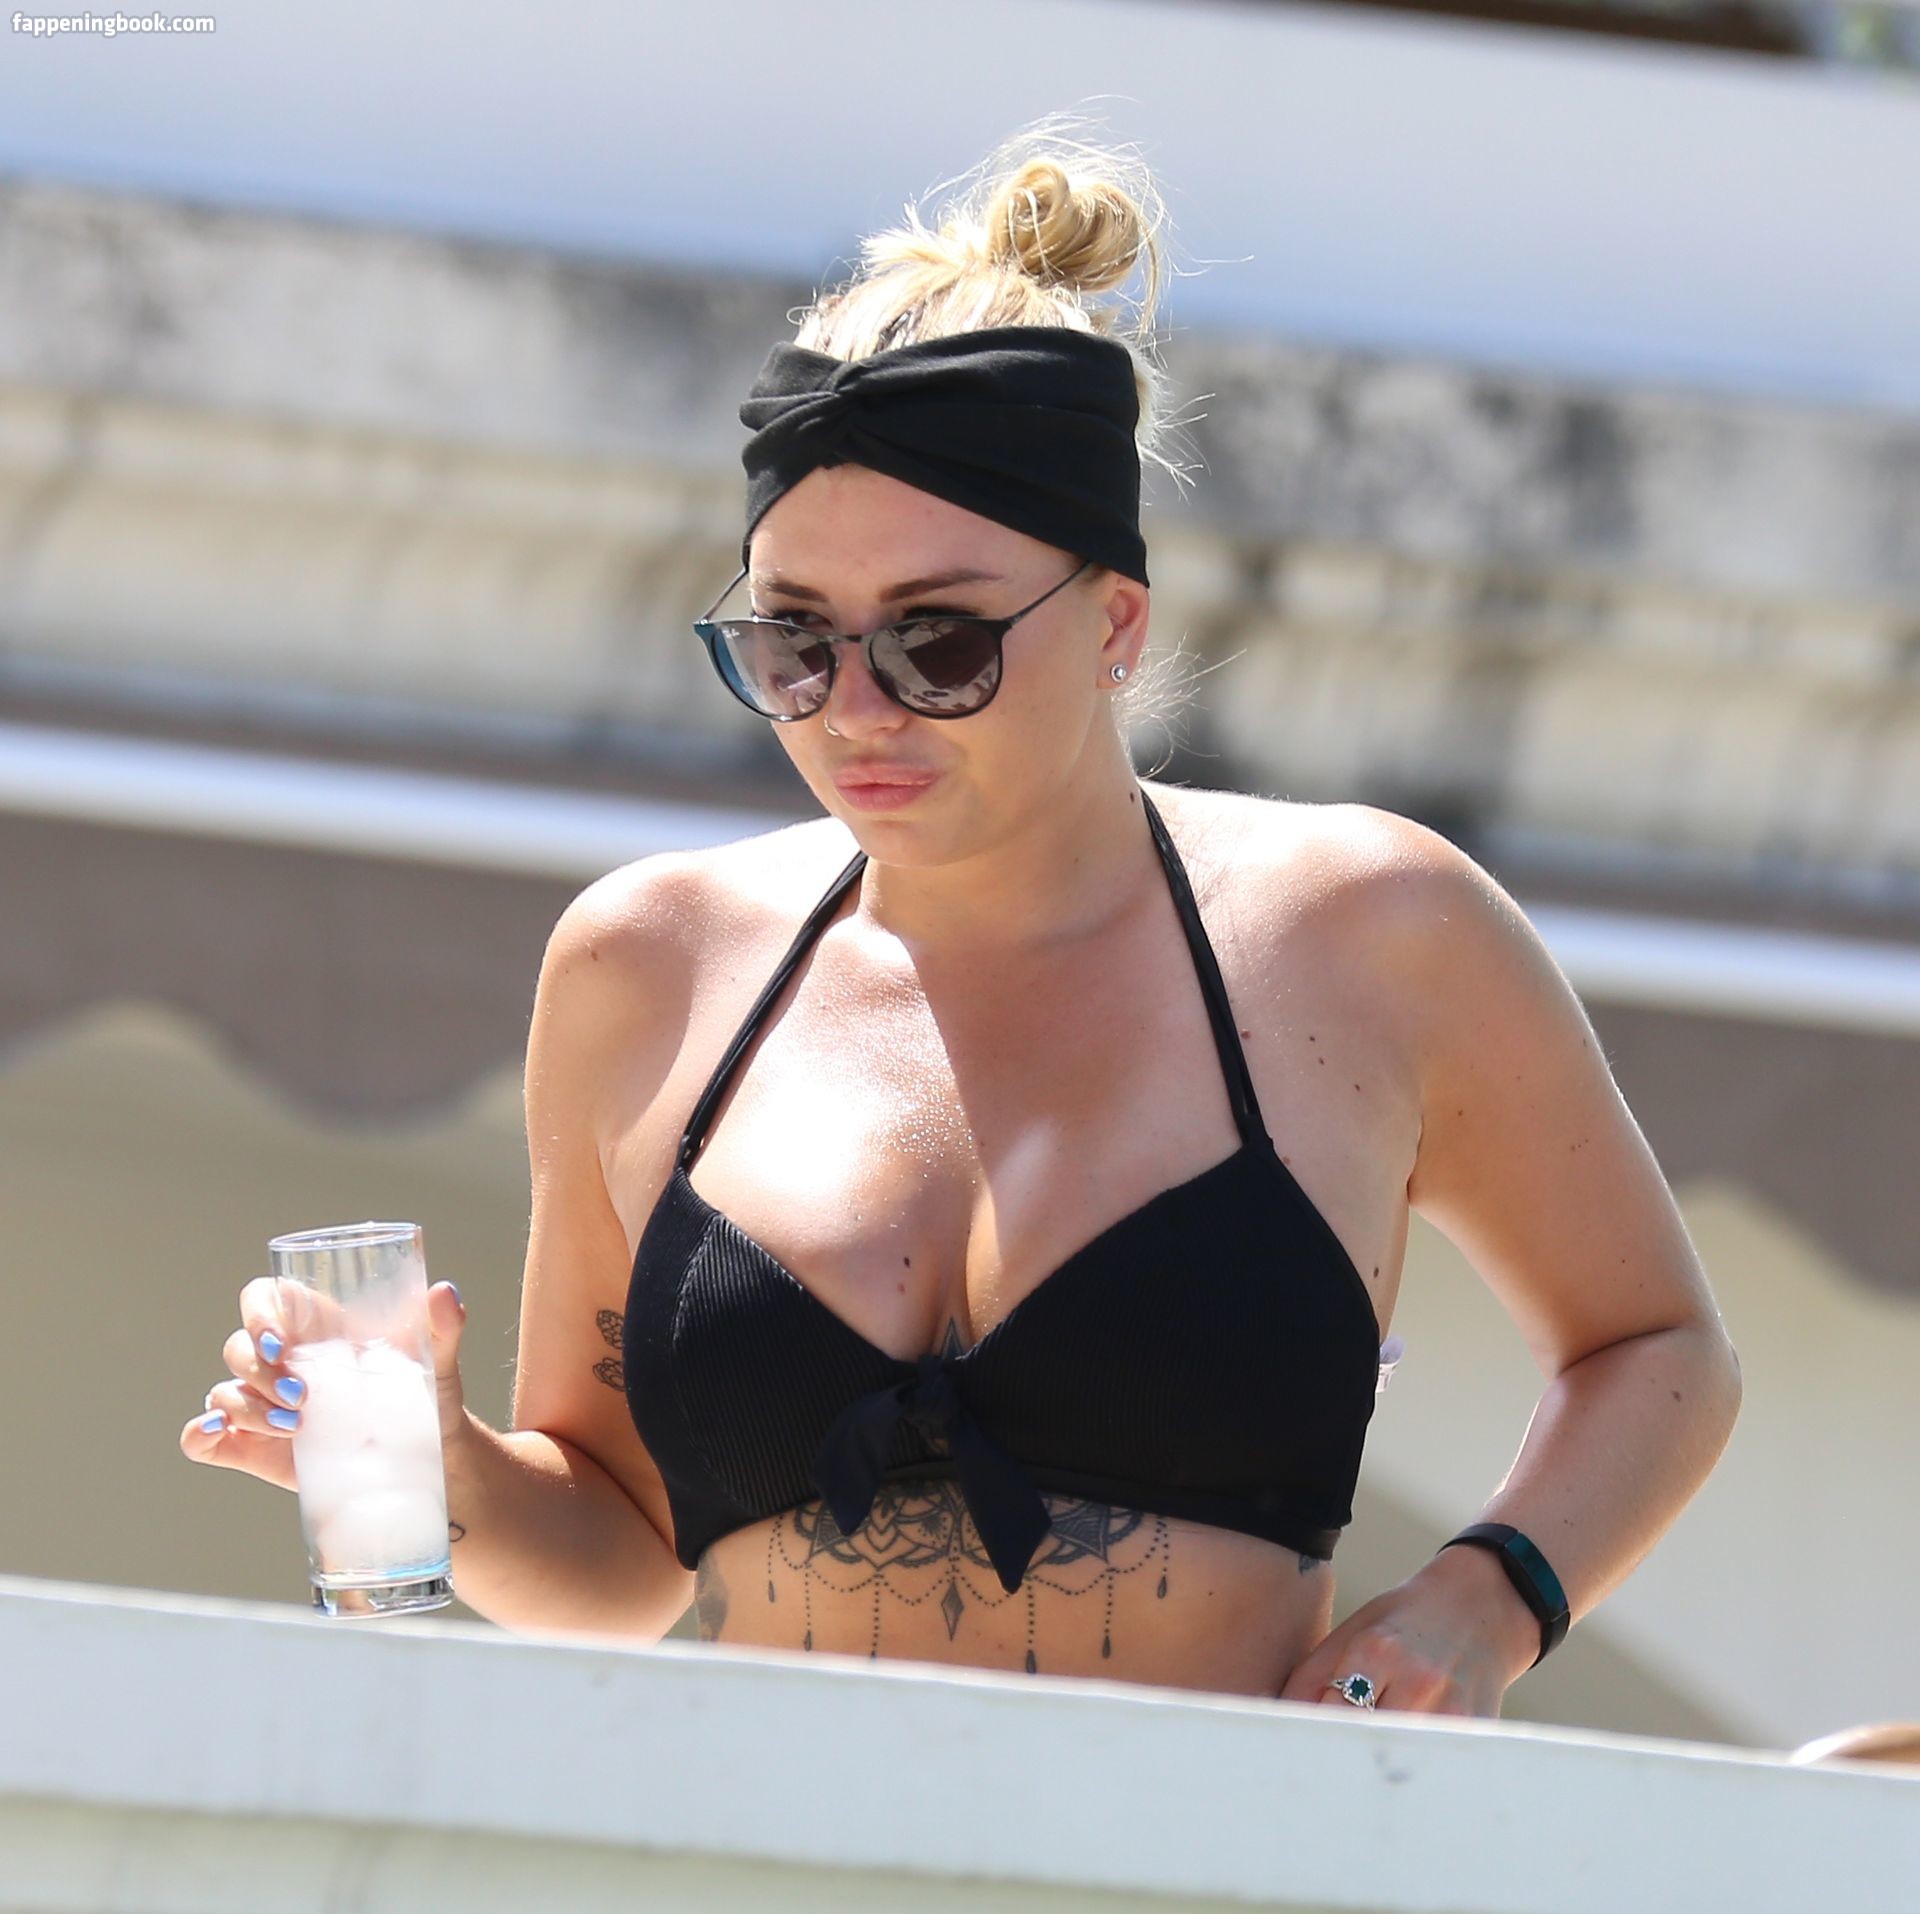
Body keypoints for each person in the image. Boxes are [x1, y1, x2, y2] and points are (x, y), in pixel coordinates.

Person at [182, 119, 1743, 1718]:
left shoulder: (1369, 932)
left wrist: (1487, 1599)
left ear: (1116, 623)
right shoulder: (647, 965)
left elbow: (1658, 1348)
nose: (856, 709)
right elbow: (618, 1562)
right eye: (794, 643)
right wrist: (443, 1459)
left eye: (939, 643)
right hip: (757, 1837)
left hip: (1209, 1840)